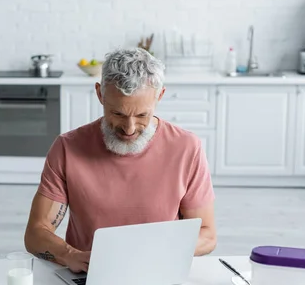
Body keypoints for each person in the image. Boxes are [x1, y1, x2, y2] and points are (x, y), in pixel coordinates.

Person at [24, 48, 216, 273]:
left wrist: (156, 251)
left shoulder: (187, 148)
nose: (129, 128)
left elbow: (207, 234)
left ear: (159, 96)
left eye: (142, 115)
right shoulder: (67, 148)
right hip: (89, 275)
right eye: (118, 114)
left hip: (158, 271)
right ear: (100, 95)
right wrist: (69, 255)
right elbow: (36, 234)